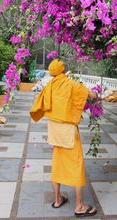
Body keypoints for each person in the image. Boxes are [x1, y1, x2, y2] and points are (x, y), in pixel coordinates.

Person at [30, 59, 97, 217]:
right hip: (67, 130)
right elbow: (92, 95)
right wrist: (95, 94)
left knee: (57, 161)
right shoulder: (71, 84)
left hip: (54, 130)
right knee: (77, 163)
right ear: (63, 70)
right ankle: (80, 206)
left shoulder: (49, 86)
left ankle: (58, 199)